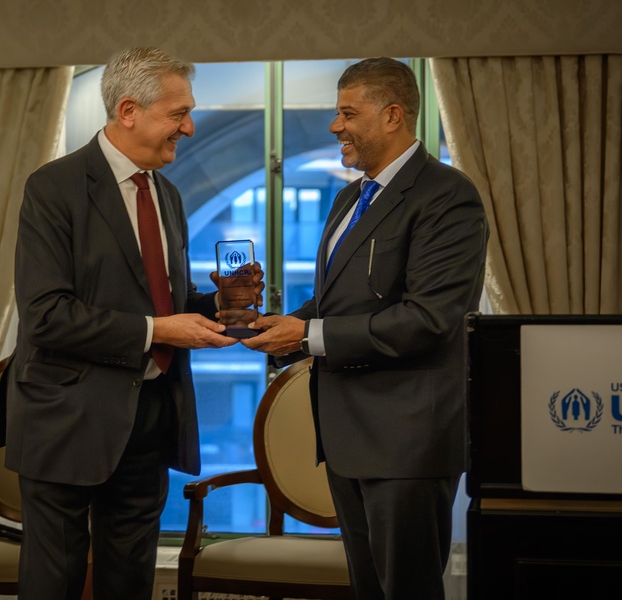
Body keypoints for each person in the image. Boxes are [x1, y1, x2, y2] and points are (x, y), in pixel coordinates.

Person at [1, 47, 263, 600]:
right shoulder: (53, 189)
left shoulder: (165, 192)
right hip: (66, 419)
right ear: (128, 111)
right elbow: (47, 316)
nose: (189, 128)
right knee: (55, 582)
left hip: (149, 415)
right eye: (178, 114)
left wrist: (221, 306)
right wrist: (159, 332)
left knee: (131, 580)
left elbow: (161, 298)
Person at [243, 57, 488, 599]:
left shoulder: (448, 196)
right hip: (348, 435)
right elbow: (341, 303)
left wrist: (305, 338)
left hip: (407, 440)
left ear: (393, 115)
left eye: (348, 113)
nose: (335, 127)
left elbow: (427, 321)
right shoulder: (349, 198)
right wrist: (281, 325)